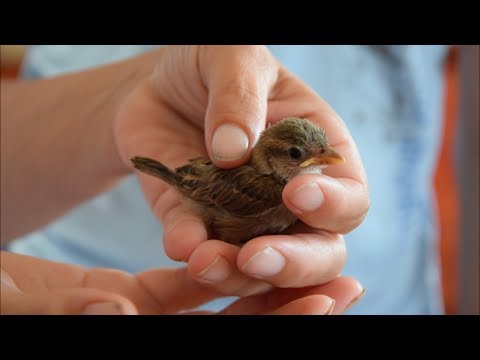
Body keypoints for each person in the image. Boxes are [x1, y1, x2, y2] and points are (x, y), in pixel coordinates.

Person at [1, 45, 368, 315]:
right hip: (94, 272)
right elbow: (208, 193)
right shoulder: (268, 190)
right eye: (296, 156)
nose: (324, 162)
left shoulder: (293, 189)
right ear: (273, 158)